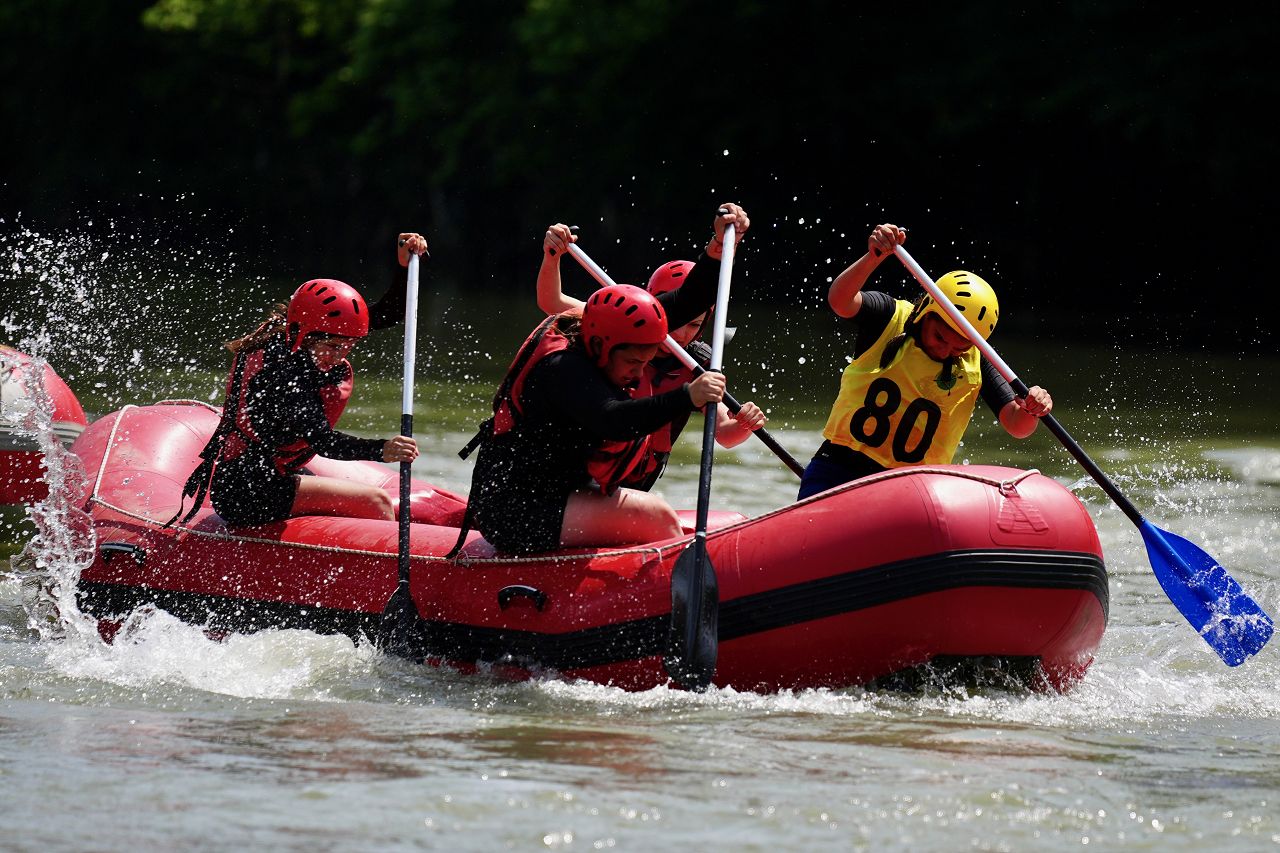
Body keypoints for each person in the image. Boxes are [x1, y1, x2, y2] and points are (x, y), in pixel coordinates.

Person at [457, 205, 750, 555]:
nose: (640, 373)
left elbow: (691, 298)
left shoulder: (619, 326)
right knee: (656, 517)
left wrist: (718, 247)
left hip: (562, 490)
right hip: (515, 506)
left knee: (649, 512)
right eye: (632, 362)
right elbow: (614, 418)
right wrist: (687, 396)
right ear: (601, 345)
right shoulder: (563, 366)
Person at [168, 233, 429, 528]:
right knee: (376, 501)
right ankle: (374, 570)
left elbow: (389, 313)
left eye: (348, 346)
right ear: (306, 336)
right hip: (246, 491)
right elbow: (323, 442)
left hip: (270, 474)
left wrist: (405, 267)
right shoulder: (283, 375)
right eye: (332, 346)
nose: (339, 356)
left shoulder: (295, 335)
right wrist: (382, 449)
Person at [797, 223, 1053, 500]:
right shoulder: (889, 317)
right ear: (926, 312)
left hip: (913, 492)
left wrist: (1031, 408)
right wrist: (875, 256)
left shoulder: (978, 360)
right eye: (940, 338)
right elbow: (840, 301)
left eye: (959, 347)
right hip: (839, 468)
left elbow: (1017, 426)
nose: (946, 351)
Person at [535, 225, 767, 491]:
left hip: (636, 485)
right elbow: (551, 301)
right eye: (677, 320)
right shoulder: (618, 322)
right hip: (586, 477)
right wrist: (552, 257)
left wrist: (745, 424)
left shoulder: (696, 364)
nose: (680, 334)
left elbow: (724, 433)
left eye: (693, 325)